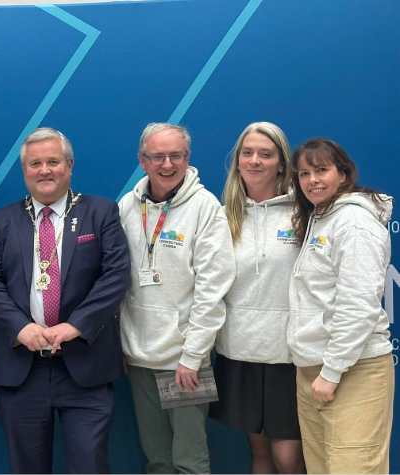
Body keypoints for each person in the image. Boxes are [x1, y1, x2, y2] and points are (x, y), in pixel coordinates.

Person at [0, 127, 130, 474]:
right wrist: (21, 327)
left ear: (70, 165)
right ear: (25, 171)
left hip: (85, 367)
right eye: (35, 164)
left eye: (53, 161)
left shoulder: (101, 212)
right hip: (22, 368)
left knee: (90, 467)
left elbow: (116, 276)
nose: (44, 170)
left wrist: (76, 326)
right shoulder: (3, 220)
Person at [118, 123, 235, 474]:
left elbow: (213, 289)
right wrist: (120, 346)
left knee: (189, 459)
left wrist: (194, 356)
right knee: (157, 458)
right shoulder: (127, 205)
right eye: (158, 156)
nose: (167, 164)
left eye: (176, 156)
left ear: (188, 158)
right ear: (142, 160)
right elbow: (115, 281)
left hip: (185, 361)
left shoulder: (205, 208)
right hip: (139, 357)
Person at [288, 138, 394, 474]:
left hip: (351, 369)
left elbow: (359, 305)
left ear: (343, 175)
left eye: (321, 170)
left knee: (354, 468)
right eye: (304, 173)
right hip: (314, 368)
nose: (312, 180)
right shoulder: (320, 217)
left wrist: (332, 372)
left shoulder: (355, 223)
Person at [210, 122, 305, 473]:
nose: (254, 161)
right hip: (240, 350)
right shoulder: (222, 216)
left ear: (282, 163)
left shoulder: (304, 212)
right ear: (237, 161)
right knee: (261, 454)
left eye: (265, 154)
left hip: (290, 354)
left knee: (287, 457)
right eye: (247, 153)